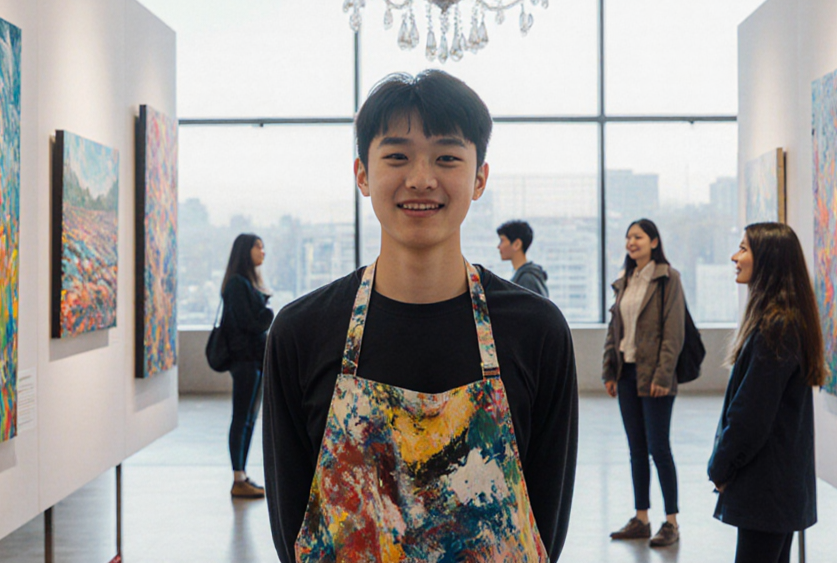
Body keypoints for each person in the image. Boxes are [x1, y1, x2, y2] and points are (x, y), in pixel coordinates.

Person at [263, 70, 578, 562]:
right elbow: (293, 535)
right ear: (362, 174)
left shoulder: (535, 331)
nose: (421, 178)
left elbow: (545, 530)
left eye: (447, 157)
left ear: (479, 179)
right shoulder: (301, 332)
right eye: (397, 156)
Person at [708, 222, 825, 563]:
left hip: (767, 486)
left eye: (744, 249)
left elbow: (750, 415)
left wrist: (721, 467)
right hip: (776, 486)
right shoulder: (785, 321)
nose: (735, 256)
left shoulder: (776, 327)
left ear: (768, 260)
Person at [602, 218, 685, 548]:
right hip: (626, 374)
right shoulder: (624, 280)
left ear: (653, 241)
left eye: (637, 236)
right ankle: (641, 518)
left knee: (659, 449)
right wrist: (610, 371)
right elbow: (614, 330)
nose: (631, 242)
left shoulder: (668, 278)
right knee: (637, 450)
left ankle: (671, 521)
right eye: (627, 237)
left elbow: (673, 332)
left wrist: (663, 377)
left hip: (655, 377)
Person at [220, 233, 274, 500]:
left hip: (254, 360)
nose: (263, 252)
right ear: (246, 251)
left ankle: (242, 476)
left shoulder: (247, 283)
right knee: (241, 418)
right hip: (244, 361)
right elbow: (248, 324)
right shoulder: (237, 284)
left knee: (250, 419)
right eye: (258, 247)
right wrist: (269, 314)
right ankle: (238, 477)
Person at [496, 219, 550, 298]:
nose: (498, 246)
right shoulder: (527, 275)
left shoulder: (527, 279)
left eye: (502, 241)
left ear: (517, 244)